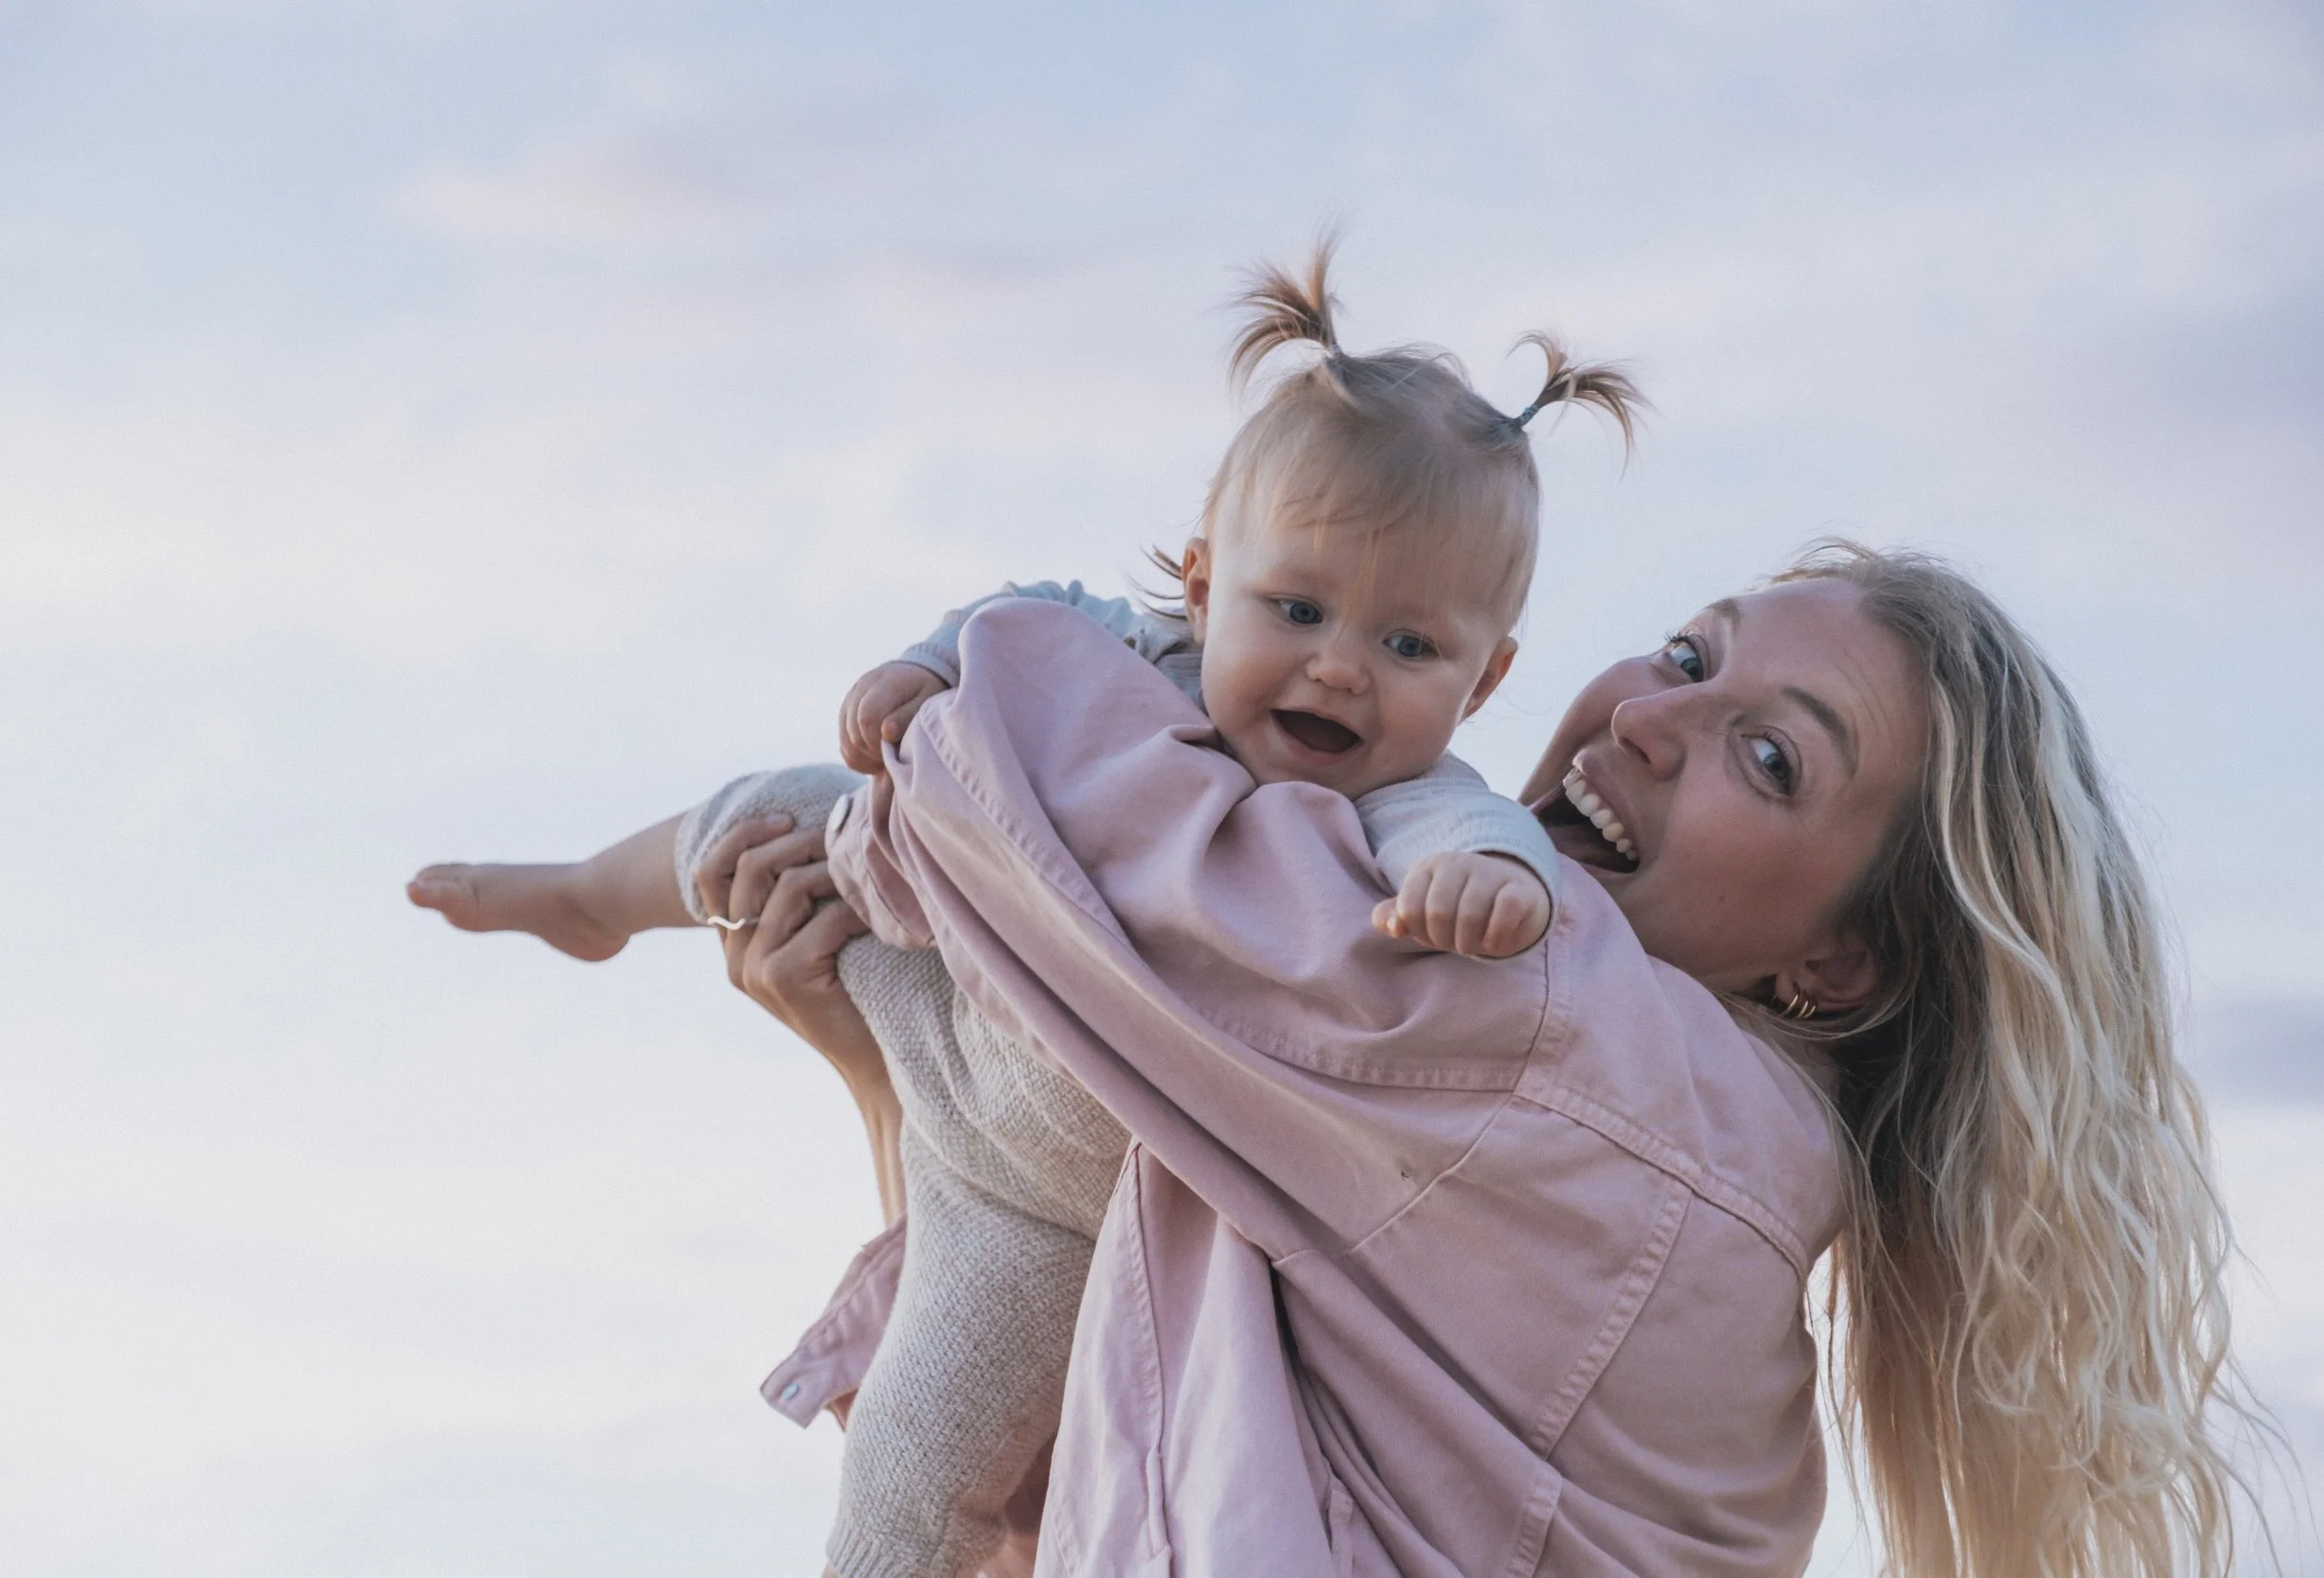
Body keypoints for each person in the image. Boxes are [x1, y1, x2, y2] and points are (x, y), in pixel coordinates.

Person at [408, 243, 1644, 1578]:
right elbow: (1023, 615)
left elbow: (1476, 833)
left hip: (1047, 1213)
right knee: (772, 816)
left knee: (912, 1456)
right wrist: (921, 667)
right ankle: (591, 896)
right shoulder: (1141, 660)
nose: (1340, 667)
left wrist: (1493, 884)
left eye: (1409, 646)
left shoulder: (1400, 804)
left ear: (1485, 677)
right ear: (1202, 584)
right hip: (943, 974)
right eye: (1297, 607)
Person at [714, 542, 2248, 1575]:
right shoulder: (1668, 1173)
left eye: (1772, 756)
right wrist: (889, 1082)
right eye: (1685, 652)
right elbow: (1081, 1483)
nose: (1653, 718)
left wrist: (961, 678)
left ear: (1841, 964)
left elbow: (1079, 827)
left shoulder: (1557, 1048)